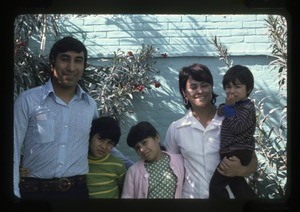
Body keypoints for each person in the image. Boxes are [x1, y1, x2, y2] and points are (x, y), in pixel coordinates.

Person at [14, 36, 132, 199]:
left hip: (77, 193)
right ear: (52, 62)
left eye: (78, 61)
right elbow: (12, 146)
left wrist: (135, 167)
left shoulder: (89, 105)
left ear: (84, 66)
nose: (71, 67)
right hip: (34, 192)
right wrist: (13, 190)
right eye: (65, 59)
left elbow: (101, 140)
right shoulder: (28, 101)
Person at [164, 63, 258, 199]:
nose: (200, 91)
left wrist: (241, 170)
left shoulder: (230, 119)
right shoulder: (176, 129)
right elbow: (172, 170)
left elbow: (252, 159)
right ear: (184, 92)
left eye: (204, 85)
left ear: (211, 87)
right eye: (193, 87)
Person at [209, 65, 257, 199]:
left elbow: (236, 127)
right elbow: (220, 111)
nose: (232, 91)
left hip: (237, 152)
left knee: (216, 186)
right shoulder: (235, 106)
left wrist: (229, 107)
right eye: (228, 87)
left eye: (237, 86)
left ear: (248, 89)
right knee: (237, 184)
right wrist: (225, 107)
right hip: (232, 151)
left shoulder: (247, 108)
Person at [121, 121, 185, 198]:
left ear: (157, 138)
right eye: (137, 148)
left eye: (144, 143)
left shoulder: (179, 161)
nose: (142, 149)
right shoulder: (133, 172)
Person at [87, 116, 127, 198]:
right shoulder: (79, 163)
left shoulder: (118, 165)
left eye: (110, 143)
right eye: (100, 139)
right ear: (90, 136)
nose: (104, 146)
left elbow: (125, 191)